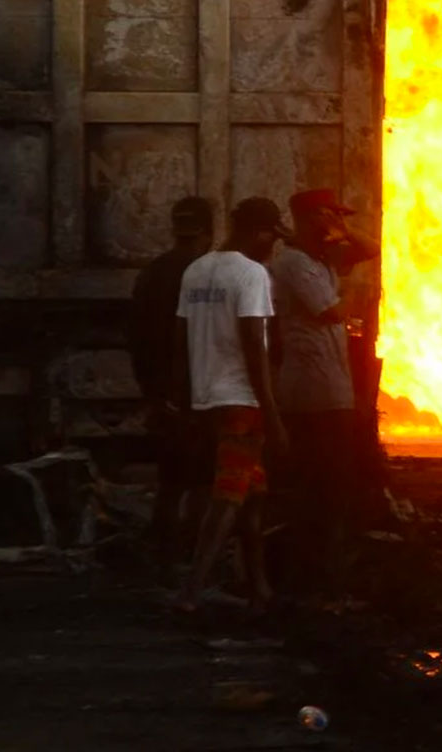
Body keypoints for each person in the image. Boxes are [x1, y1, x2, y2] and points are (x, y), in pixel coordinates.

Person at [173, 197, 292, 615]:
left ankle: (259, 588)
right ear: (257, 232)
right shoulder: (251, 274)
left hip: (208, 399)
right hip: (242, 403)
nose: (273, 247)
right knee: (228, 497)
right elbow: (253, 347)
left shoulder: (197, 270)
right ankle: (192, 589)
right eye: (271, 237)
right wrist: (273, 416)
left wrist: (188, 400)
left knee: (252, 498)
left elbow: (181, 340)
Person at [271, 188, 378, 601]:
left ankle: (325, 579)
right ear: (314, 217)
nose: (338, 221)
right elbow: (331, 311)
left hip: (334, 390)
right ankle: (309, 582)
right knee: (319, 490)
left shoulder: (321, 259)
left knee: (335, 490)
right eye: (332, 214)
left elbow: (368, 248)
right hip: (311, 393)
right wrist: (360, 300)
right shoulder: (294, 262)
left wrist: (343, 231)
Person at [129, 197, 216, 577]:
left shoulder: (152, 272)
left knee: (171, 479)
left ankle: (162, 553)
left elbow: (136, 336)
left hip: (165, 391)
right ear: (208, 232)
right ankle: (192, 555)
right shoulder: (206, 275)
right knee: (201, 480)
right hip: (199, 391)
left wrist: (151, 392)